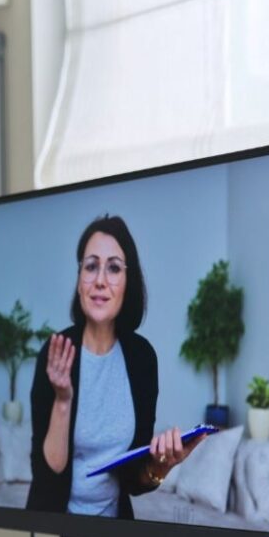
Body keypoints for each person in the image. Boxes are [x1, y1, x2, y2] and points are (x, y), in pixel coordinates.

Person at [26, 214, 202, 517]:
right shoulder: (56, 352)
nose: (100, 281)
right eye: (91, 266)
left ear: (127, 282)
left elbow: (134, 479)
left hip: (115, 528)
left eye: (114, 268)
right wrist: (63, 399)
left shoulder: (142, 358)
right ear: (79, 280)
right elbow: (48, 473)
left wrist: (160, 467)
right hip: (54, 528)